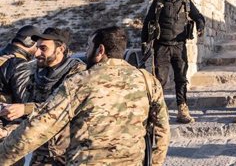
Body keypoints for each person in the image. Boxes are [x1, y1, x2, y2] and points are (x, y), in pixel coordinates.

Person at [0, 26, 170, 165]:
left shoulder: (80, 81)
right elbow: (162, 131)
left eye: (89, 46)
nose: (86, 51)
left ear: (100, 50)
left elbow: (40, 126)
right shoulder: (147, 80)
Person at [1, 27, 85, 165]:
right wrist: (5, 131)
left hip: (67, 153)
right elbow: (30, 117)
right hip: (41, 151)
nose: (36, 53)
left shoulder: (78, 73)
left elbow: (61, 108)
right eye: (37, 47)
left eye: (43, 48)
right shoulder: (36, 72)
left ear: (60, 49)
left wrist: (25, 108)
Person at [142, 0, 205, 124]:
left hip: (179, 46)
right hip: (161, 46)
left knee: (181, 79)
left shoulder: (186, 3)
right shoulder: (158, 2)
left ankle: (182, 110)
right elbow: (147, 22)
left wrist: (200, 26)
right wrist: (144, 43)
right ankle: (157, 112)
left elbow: (198, 17)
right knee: (160, 80)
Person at [0, 26, 40, 103]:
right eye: (38, 45)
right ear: (30, 42)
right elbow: (23, 101)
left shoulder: (2, 53)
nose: (38, 49)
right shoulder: (20, 64)